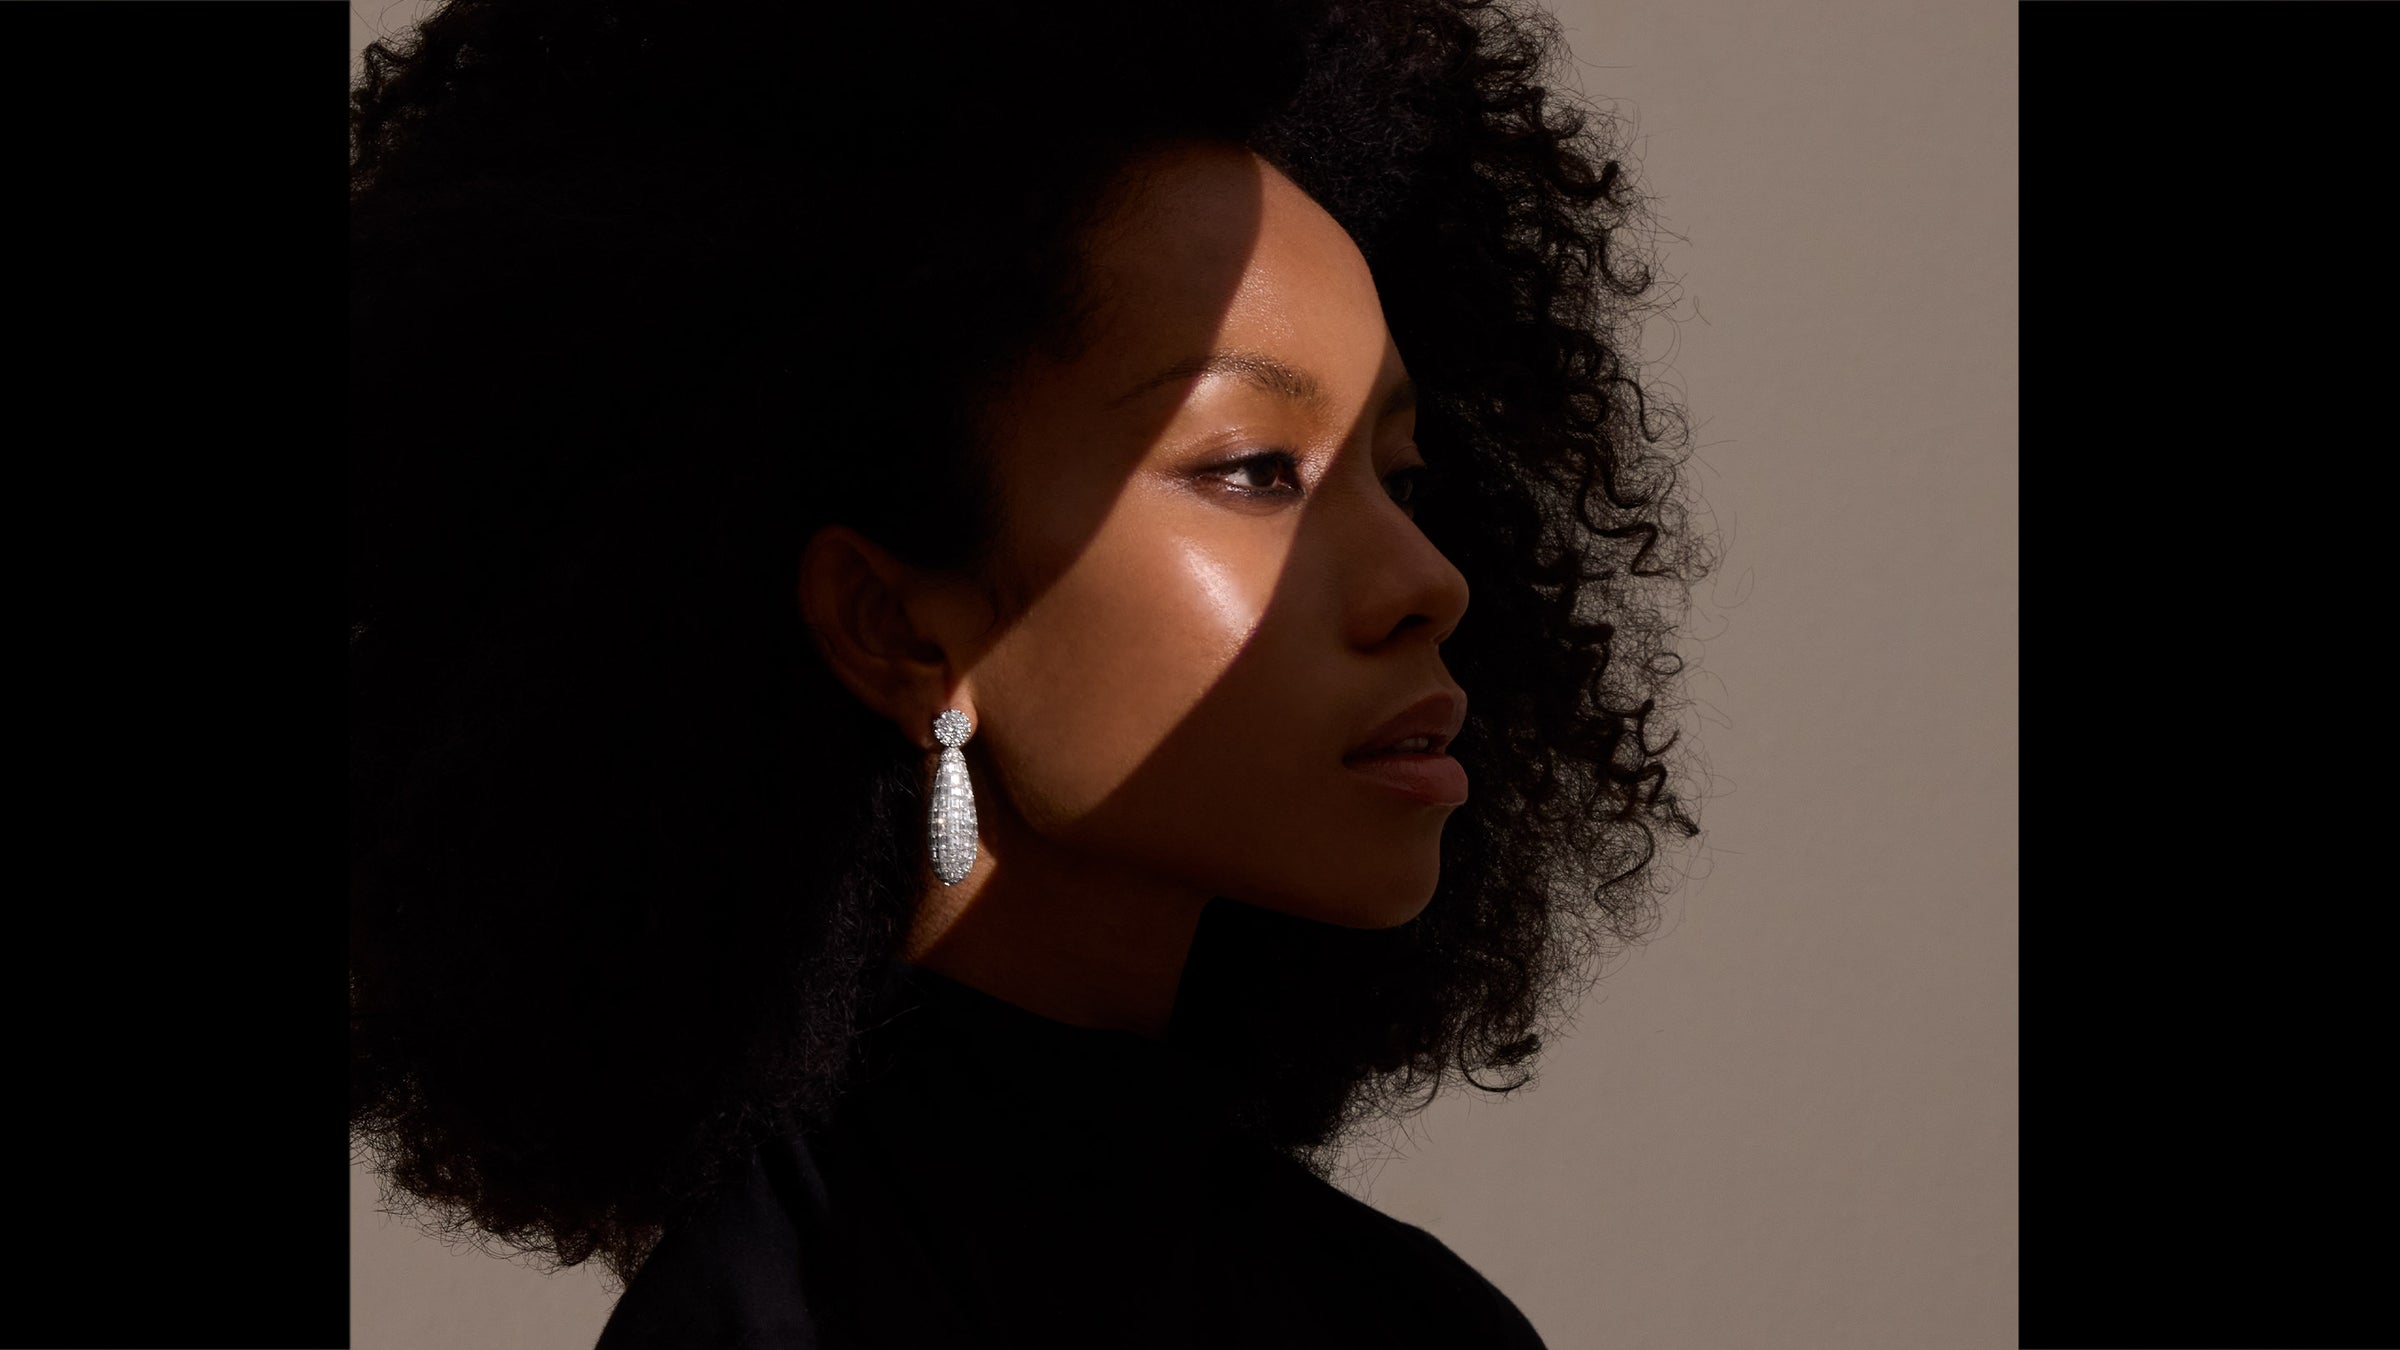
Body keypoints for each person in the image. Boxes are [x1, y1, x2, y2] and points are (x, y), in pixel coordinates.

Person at [348, 0, 1711, 1344]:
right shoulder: (774, 1323)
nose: (1429, 579)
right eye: (1255, 468)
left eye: (1398, 476)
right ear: (896, 628)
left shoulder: (1413, 1325)